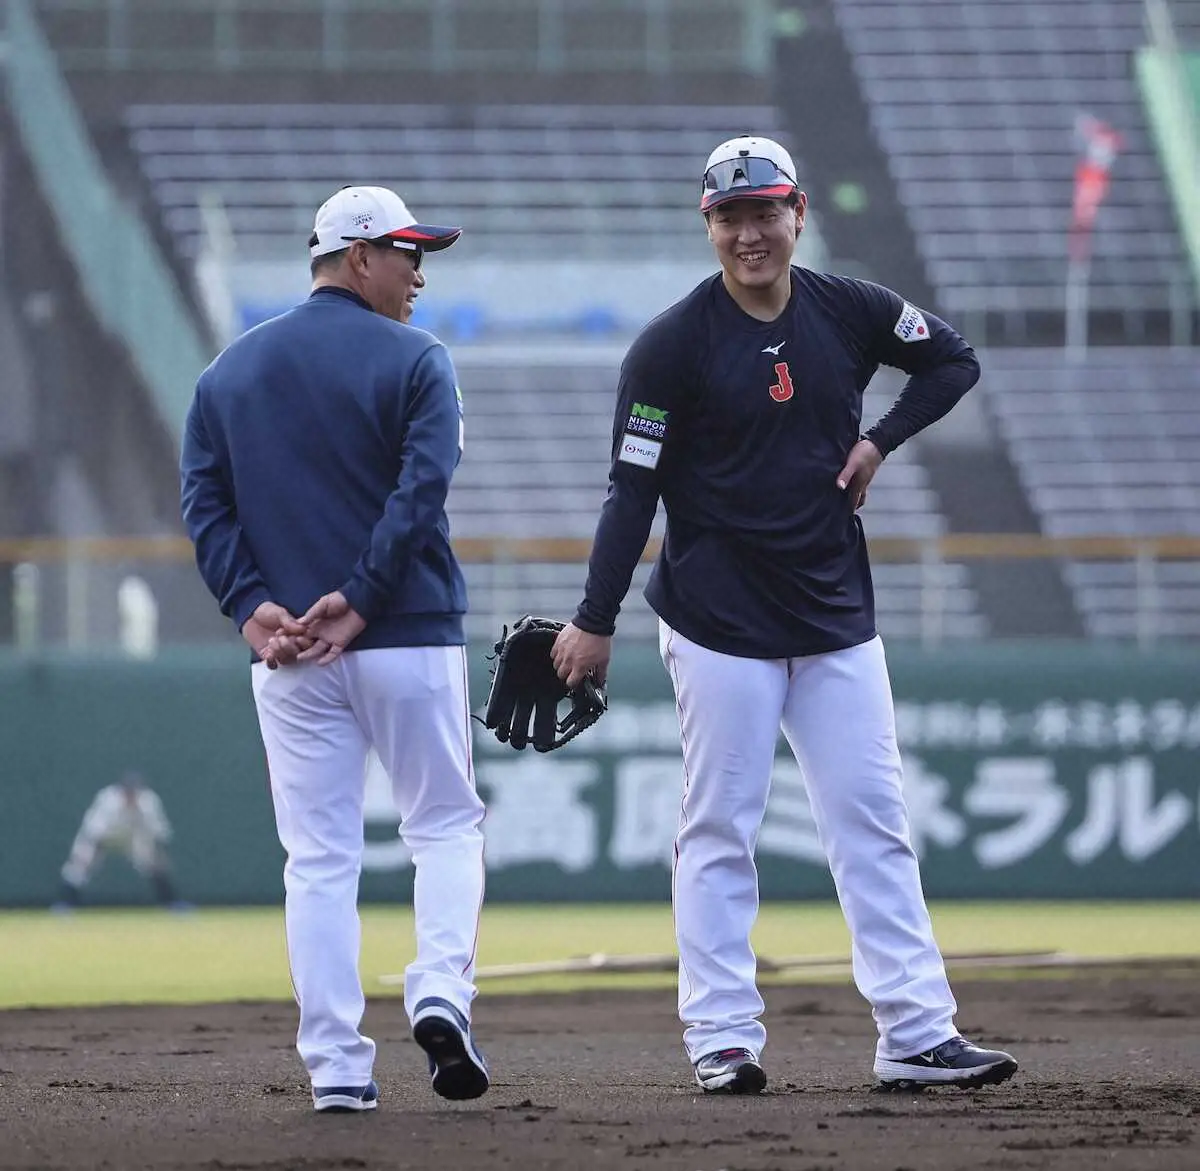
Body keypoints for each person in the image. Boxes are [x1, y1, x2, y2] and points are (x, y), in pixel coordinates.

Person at [551, 137, 1018, 1095]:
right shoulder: (672, 345)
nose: (750, 231)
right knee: (721, 824)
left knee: (874, 820)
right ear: (707, 226)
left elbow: (953, 363)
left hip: (835, 611)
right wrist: (593, 619)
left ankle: (917, 1031)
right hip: (718, 618)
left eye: (765, 211)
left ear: (798, 212)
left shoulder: (849, 309)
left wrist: (880, 440)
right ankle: (722, 1037)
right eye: (730, 215)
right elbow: (629, 492)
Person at [180, 185, 489, 1114]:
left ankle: (337, 1068)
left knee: (317, 857)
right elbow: (422, 489)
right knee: (443, 825)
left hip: (286, 655)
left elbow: (205, 502)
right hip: (406, 633)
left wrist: (253, 608)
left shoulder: (226, 374)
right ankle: (439, 988)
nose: (419, 273)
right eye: (406, 253)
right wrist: (360, 597)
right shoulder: (417, 358)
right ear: (358, 257)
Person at [53, 770, 188, 911]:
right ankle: (66, 904)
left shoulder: (148, 802)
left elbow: (159, 832)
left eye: (134, 791)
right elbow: (93, 831)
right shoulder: (107, 800)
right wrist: (88, 856)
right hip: (103, 837)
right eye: (128, 791)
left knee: (155, 865)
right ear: (122, 790)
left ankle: (172, 903)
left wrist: (159, 854)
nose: (131, 795)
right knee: (79, 866)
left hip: (132, 838)